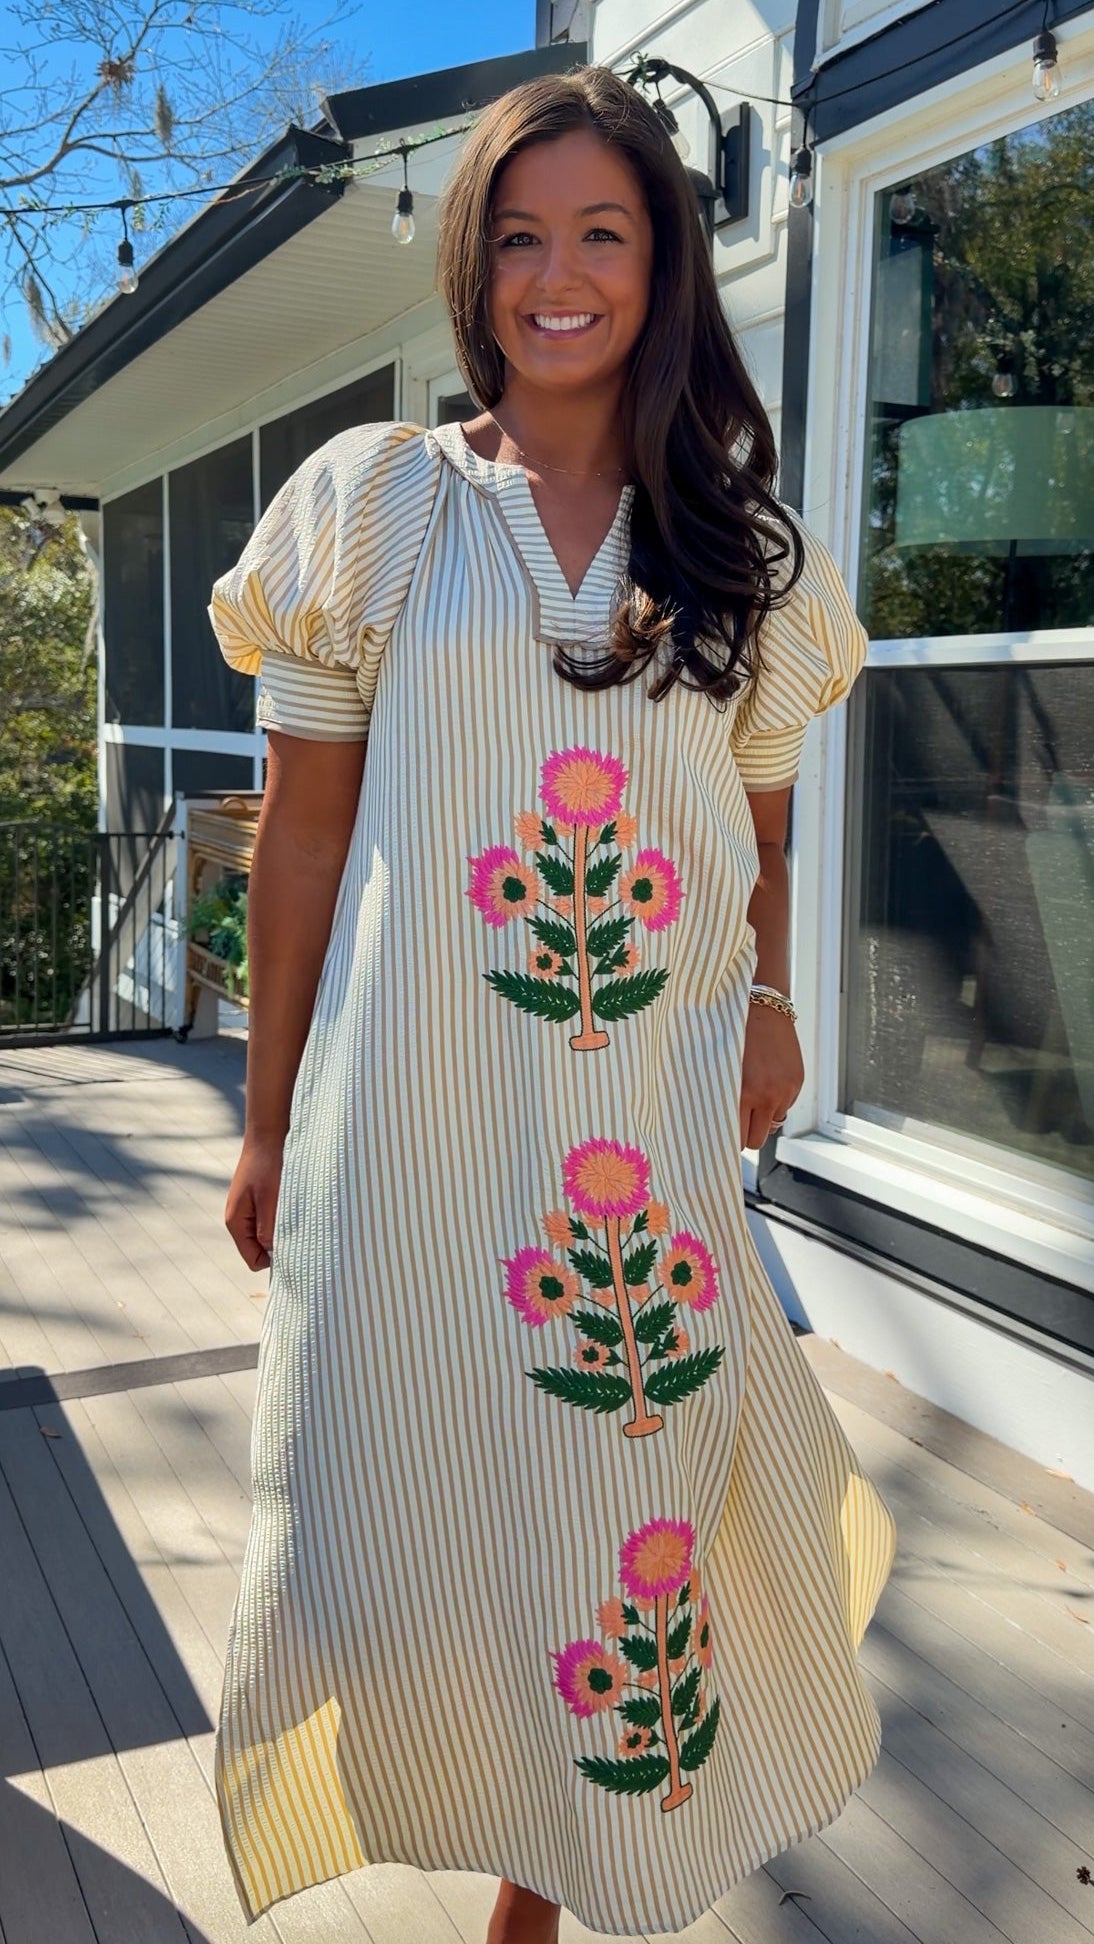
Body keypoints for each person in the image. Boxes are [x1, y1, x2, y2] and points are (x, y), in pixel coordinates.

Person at [208, 64, 896, 1944]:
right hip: (411, 1120)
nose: (558, 275)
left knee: (618, 1507)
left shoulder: (745, 558)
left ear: (662, 262)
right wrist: (266, 1118)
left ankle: (546, 1893)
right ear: (474, 268)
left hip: (639, 1144)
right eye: (519, 238)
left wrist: (770, 1006)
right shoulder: (372, 507)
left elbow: (758, 832)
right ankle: (446, 1802)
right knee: (410, 1499)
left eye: (602, 232)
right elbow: (302, 841)